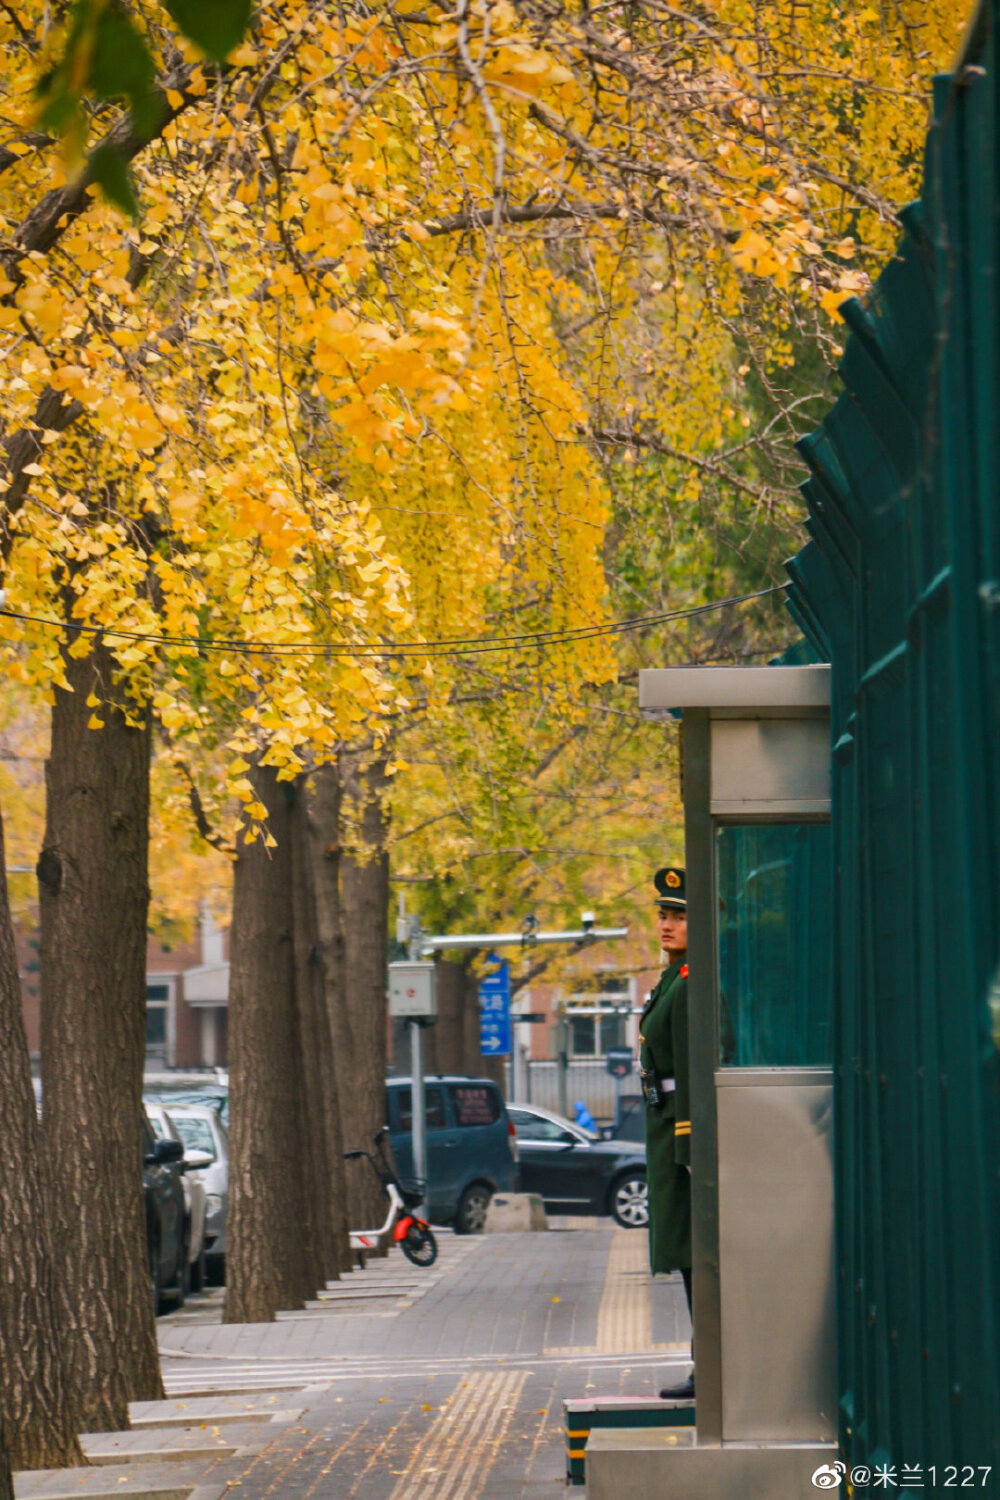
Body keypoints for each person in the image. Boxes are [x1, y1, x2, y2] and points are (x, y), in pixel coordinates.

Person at [638, 865, 695, 1400]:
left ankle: (709, 1364)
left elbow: (694, 1066)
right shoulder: (671, 978)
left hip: (680, 1131)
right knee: (684, 1253)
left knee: (694, 1253)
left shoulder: (688, 981)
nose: (667, 925)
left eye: (678, 916)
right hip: (665, 1125)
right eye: (663, 915)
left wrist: (688, 1143)